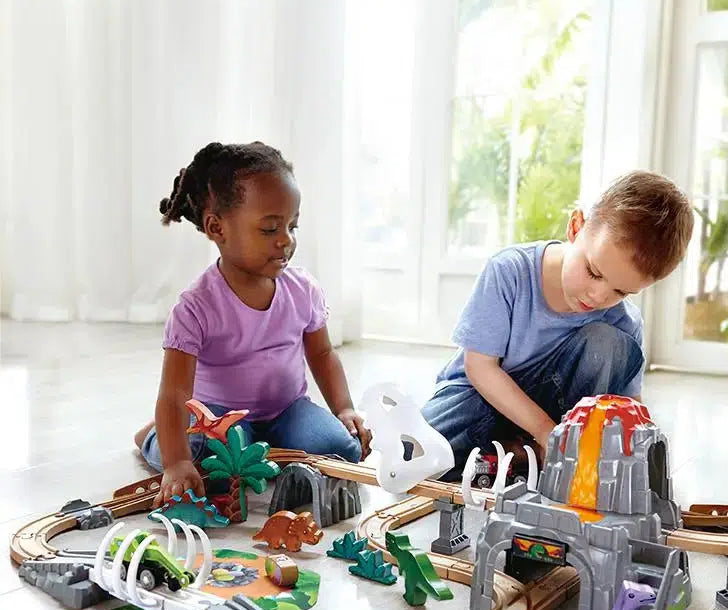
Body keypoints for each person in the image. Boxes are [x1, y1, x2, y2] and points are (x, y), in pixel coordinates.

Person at [135, 141, 370, 506]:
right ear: (217, 228)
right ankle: (154, 438)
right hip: (219, 418)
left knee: (342, 450)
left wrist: (344, 408)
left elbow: (322, 353)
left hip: (287, 410)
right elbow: (174, 395)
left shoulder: (303, 289)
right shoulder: (195, 307)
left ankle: (268, 447)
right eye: (269, 228)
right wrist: (177, 462)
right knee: (207, 465)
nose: (286, 240)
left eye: (292, 226)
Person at [421, 170, 693, 474]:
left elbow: (629, 409)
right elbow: (479, 367)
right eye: (594, 271)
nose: (598, 294)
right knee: (415, 449)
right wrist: (544, 430)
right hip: (482, 395)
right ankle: (521, 454)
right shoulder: (510, 271)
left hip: (560, 422)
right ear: (576, 227)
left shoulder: (623, 324)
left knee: (609, 343)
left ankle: (525, 458)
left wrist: (644, 462)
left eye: (621, 291)